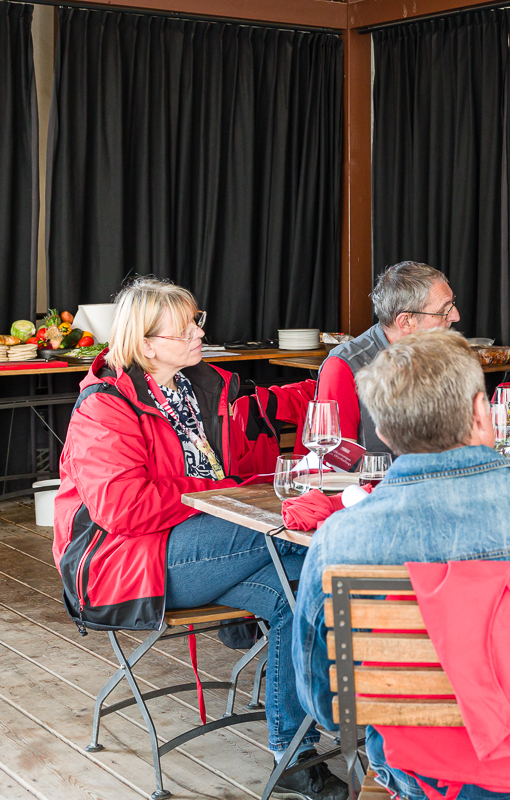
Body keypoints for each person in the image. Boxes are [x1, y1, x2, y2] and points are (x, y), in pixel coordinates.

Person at [293, 330, 510, 800]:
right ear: (482, 412)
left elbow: (327, 702)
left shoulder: (342, 539)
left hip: (420, 780)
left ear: (382, 431)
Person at [53, 278, 346, 800]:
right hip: (128, 561)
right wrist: (216, 491)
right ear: (146, 344)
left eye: (197, 318)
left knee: (300, 588)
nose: (200, 332)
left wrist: (343, 370)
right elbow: (123, 508)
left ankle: (293, 752)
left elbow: (274, 406)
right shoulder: (105, 406)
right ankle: (355, 703)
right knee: (313, 536)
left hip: (203, 537)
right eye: (186, 326)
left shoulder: (200, 387)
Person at [316, 262, 459, 452]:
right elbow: (336, 454)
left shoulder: (440, 353)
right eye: (444, 311)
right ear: (406, 322)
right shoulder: (343, 366)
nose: (455, 316)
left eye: (453, 305)